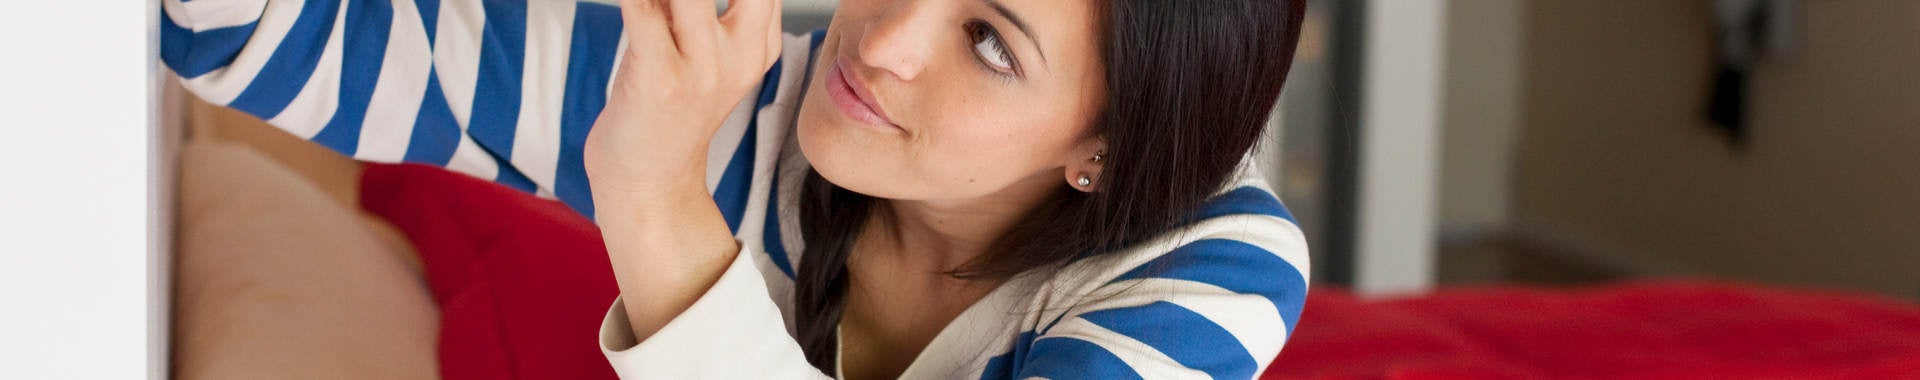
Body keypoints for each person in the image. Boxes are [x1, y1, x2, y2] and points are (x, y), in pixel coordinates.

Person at [162, 0, 1309, 377]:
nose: (887, 38)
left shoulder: (1214, 264)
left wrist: (652, 193)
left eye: (991, 42)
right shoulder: (743, 100)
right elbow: (241, 31)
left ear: (1098, 152)